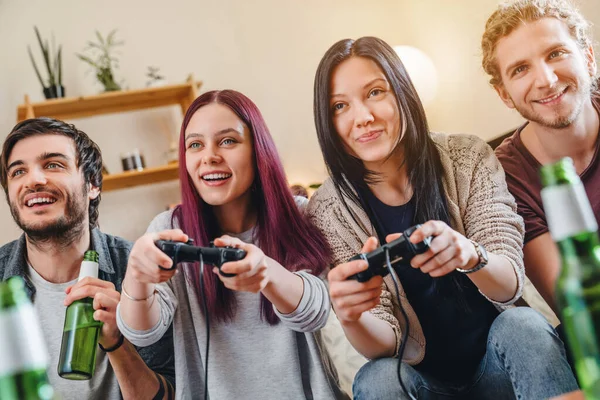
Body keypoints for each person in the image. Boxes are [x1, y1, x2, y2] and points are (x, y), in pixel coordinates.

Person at [307, 36, 578, 399]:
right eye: (340, 106)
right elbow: (384, 346)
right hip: (424, 386)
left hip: (502, 362)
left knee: (522, 323)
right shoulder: (327, 211)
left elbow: (510, 284)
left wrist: (469, 254)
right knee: (376, 378)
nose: (363, 117)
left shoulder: (467, 156)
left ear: (402, 91)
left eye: (375, 92)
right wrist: (351, 315)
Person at [116, 90, 348, 399]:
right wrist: (136, 276)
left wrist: (265, 273)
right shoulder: (169, 229)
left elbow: (317, 311)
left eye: (228, 141)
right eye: (195, 144)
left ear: (258, 150)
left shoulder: (303, 214)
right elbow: (142, 332)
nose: (209, 156)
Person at [0, 117, 175, 399]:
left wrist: (117, 341)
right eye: (18, 171)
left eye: (53, 165)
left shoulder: (140, 272)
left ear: (92, 184)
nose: (33, 180)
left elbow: (172, 395)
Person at [483, 0, 600, 316]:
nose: (546, 80)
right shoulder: (505, 180)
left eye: (556, 54)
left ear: (588, 58)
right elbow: (578, 306)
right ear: (504, 94)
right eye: (521, 69)